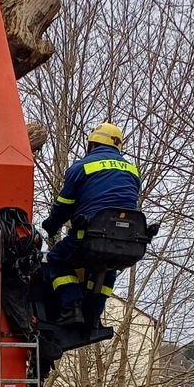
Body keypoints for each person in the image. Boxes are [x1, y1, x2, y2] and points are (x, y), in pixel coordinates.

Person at [42, 122, 142, 327]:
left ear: (92, 145)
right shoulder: (133, 171)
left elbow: (64, 205)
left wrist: (51, 226)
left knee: (57, 260)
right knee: (107, 268)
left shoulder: (81, 167)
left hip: (90, 235)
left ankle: (72, 307)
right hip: (129, 242)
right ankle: (94, 316)